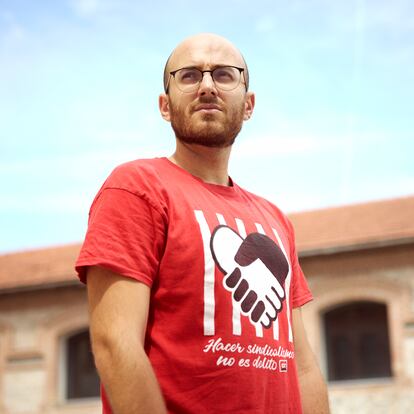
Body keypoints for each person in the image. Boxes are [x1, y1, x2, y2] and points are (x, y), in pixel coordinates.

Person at [75, 33, 330, 414]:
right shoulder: (137, 188)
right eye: (190, 75)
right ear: (165, 106)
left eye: (225, 75)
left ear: (248, 105)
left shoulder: (275, 220)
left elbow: (303, 365)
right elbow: (115, 343)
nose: (207, 86)